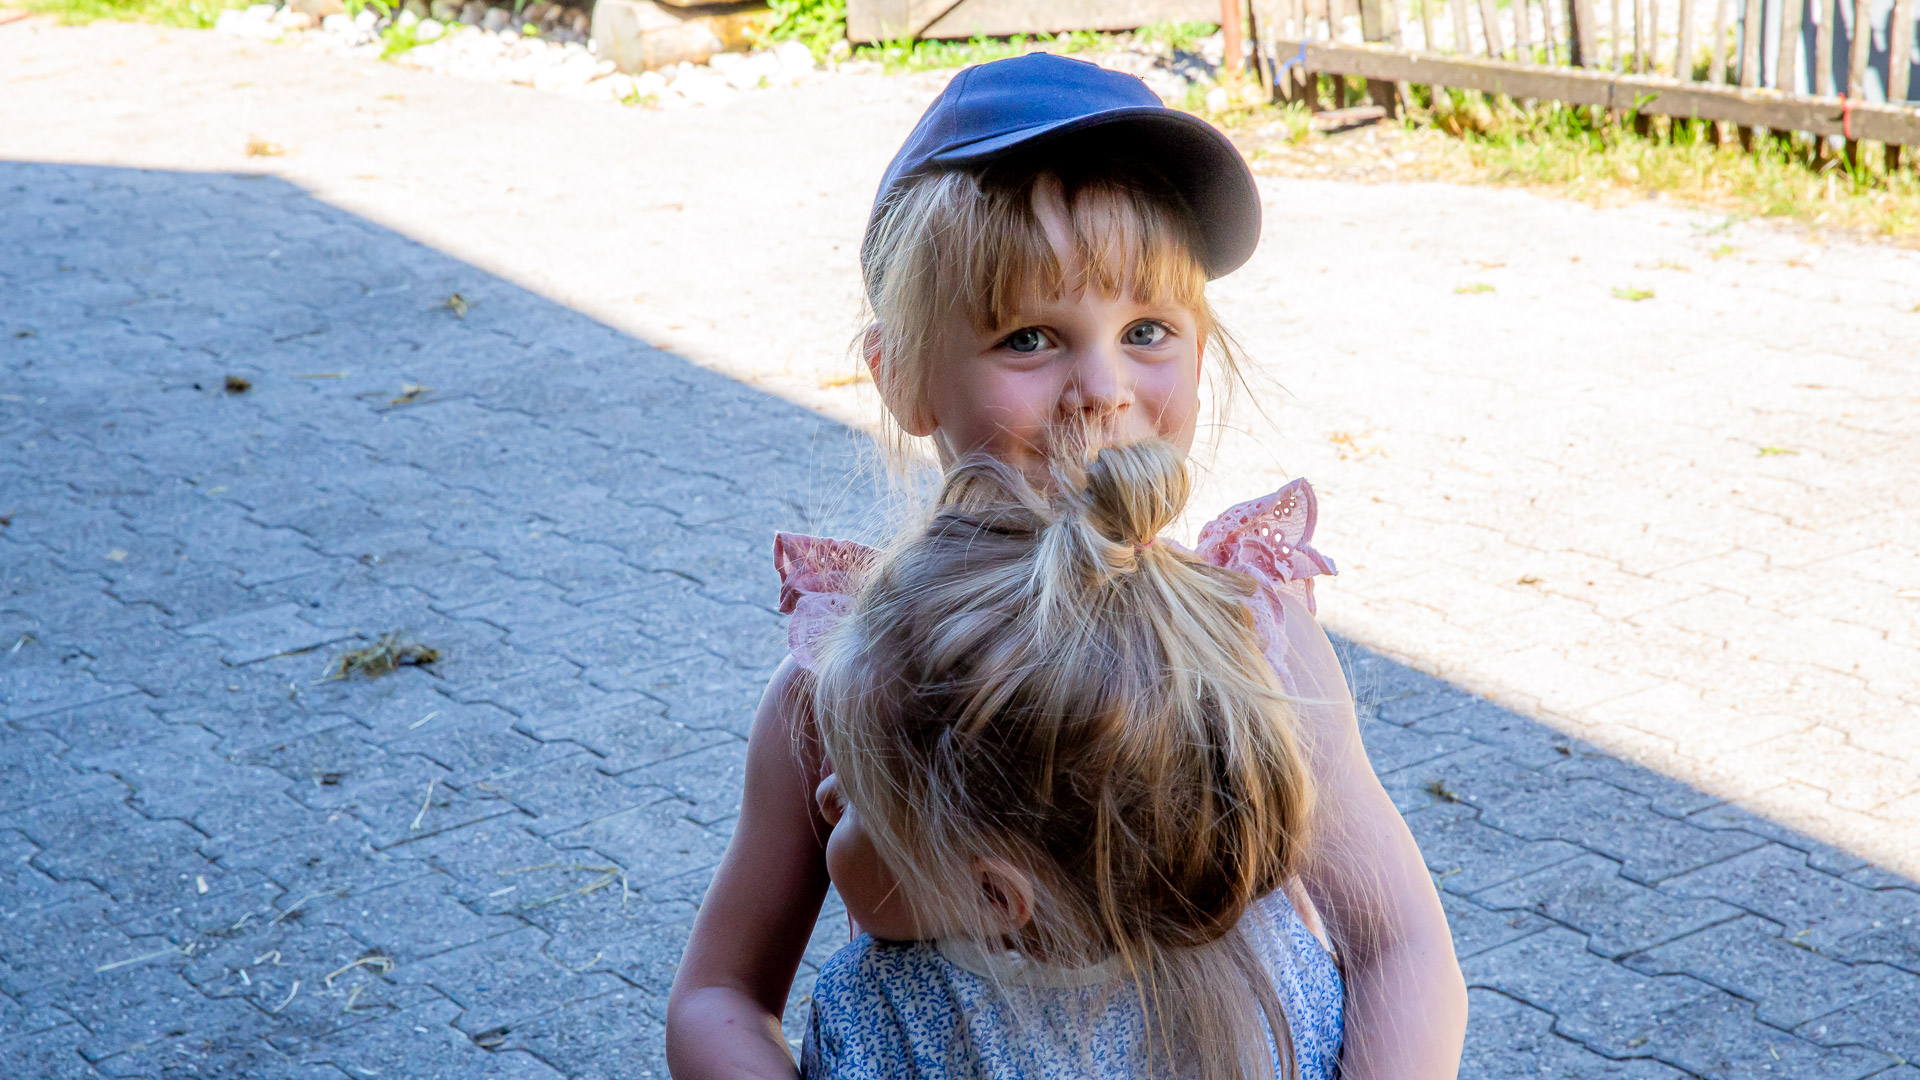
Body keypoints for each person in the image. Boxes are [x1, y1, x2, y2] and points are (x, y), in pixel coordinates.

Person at [666, 52, 1467, 1079]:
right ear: (901, 375)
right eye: (1030, 337)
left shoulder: (1250, 642)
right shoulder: (843, 677)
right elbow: (720, 995)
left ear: (1202, 348)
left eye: (1147, 330)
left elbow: (1399, 947)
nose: (1102, 386)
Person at [801, 439, 1340, 1080]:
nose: (825, 799)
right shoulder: (1277, 965)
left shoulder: (875, 1013)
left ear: (997, 895)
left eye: (860, 802)